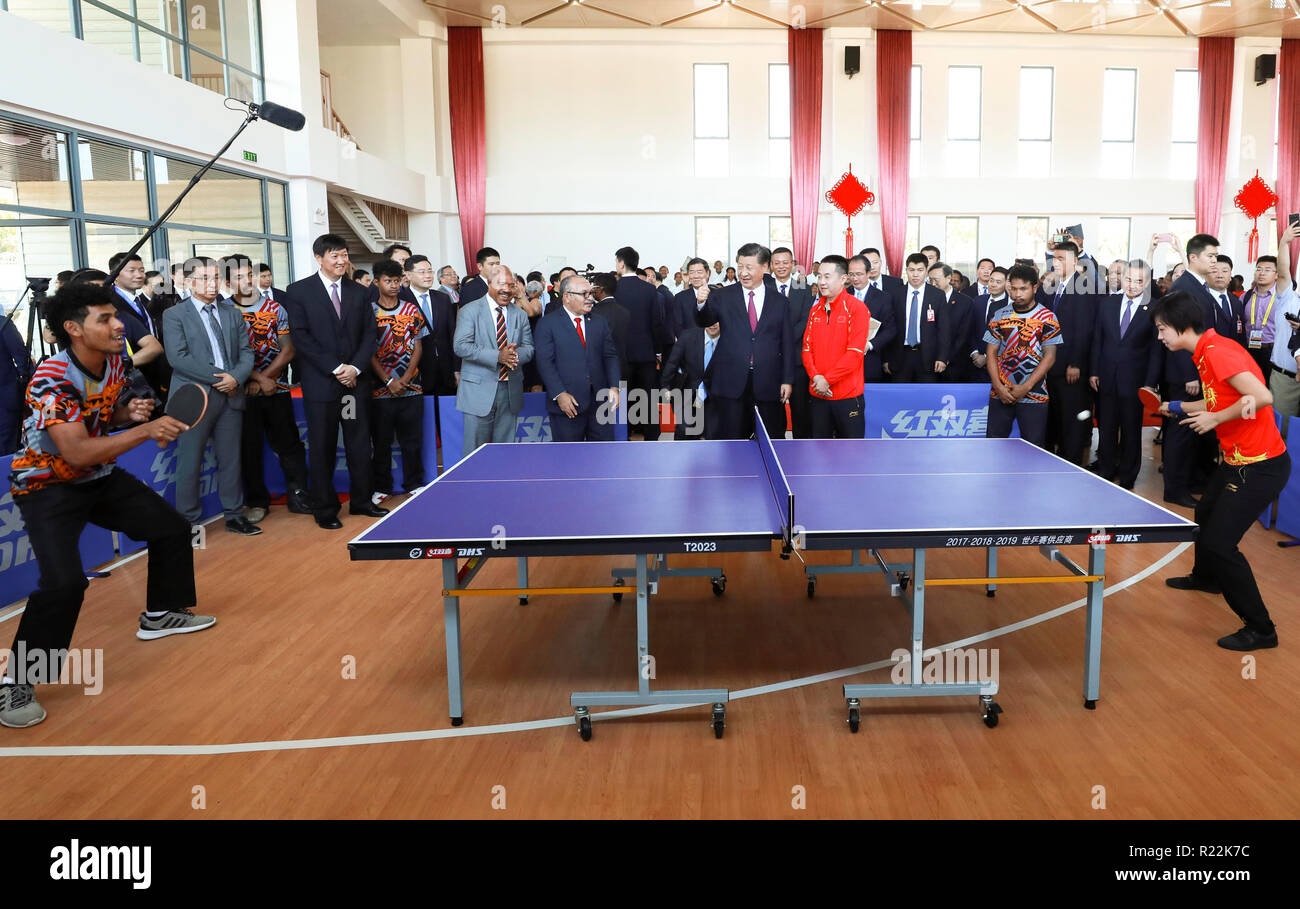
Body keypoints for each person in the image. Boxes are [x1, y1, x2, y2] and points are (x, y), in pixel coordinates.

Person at [1, 284, 210, 728]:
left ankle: (159, 614)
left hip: (98, 478)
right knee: (63, 584)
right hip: (47, 486)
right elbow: (75, 451)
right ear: (73, 329)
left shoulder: (114, 361)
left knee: (172, 528)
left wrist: (126, 415)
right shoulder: (51, 377)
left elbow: (100, 415)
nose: (119, 326)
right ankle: (17, 681)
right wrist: (145, 431)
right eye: (105, 319)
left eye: (116, 315)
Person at [1152, 291, 1290, 651]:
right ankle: (1207, 577)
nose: (1160, 336)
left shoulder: (1219, 351)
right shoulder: (1204, 351)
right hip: (1236, 460)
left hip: (1260, 466)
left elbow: (1261, 396)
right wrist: (1178, 406)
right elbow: (1220, 399)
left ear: (1182, 326)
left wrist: (1215, 419)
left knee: (1219, 543)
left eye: (1162, 328)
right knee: (1205, 511)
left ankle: (1261, 628)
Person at [283, 233, 383, 530]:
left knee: (359, 444)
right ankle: (325, 509)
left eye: (344, 255)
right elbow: (301, 337)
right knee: (322, 446)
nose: (341, 261)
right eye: (334, 256)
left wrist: (355, 368)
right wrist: (336, 367)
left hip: (355, 383)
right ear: (319, 258)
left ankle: (362, 502)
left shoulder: (360, 291)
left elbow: (369, 334)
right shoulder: (299, 291)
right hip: (322, 385)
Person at [163, 257, 259, 536]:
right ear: (190, 281)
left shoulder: (232, 313)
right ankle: (188, 522)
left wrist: (236, 378)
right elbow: (178, 358)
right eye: (204, 278)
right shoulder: (175, 315)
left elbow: (247, 353)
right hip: (195, 398)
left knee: (230, 459)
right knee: (190, 462)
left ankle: (234, 515)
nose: (211, 283)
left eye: (215, 278)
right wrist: (222, 379)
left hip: (231, 395)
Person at [225, 255, 311, 523]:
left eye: (250, 274)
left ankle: (299, 495)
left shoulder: (276, 308)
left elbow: (288, 350)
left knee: (290, 446)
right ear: (228, 282)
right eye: (239, 276)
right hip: (242, 392)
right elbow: (225, 356)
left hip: (277, 390)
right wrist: (253, 379)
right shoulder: (223, 311)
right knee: (249, 449)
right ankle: (256, 502)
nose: (247, 280)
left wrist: (265, 378)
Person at [693, 242, 793, 440]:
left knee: (771, 438)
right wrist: (701, 302)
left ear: (765, 267)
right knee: (730, 439)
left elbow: (787, 343)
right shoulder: (723, 296)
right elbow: (704, 320)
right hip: (731, 381)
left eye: (749, 267)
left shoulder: (780, 301)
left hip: (768, 381)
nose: (743, 272)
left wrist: (787, 380)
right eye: (740, 266)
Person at [1089, 259, 1162, 490]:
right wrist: (1093, 371)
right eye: (1128, 279)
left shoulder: (1154, 308)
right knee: (1107, 428)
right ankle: (1107, 469)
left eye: (1139, 281)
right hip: (1107, 378)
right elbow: (1097, 341)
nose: (1132, 285)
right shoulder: (1107, 304)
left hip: (1135, 382)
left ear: (1147, 282)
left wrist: (1150, 383)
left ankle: (1129, 475)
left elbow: (1156, 351)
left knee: (1131, 431)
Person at [452, 265, 534, 456]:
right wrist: (498, 356)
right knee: (474, 452)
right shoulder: (470, 311)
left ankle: (500, 486)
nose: (507, 289)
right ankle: (473, 487)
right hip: (477, 393)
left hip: (510, 391)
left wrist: (513, 356)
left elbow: (529, 348)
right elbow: (461, 346)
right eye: (501, 284)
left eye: (511, 285)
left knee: (504, 452)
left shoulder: (520, 314)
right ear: (489, 283)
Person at [534, 274, 621, 442]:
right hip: (567, 405)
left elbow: (610, 356)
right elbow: (545, 363)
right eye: (584, 294)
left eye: (591, 293)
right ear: (567, 296)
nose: (590, 298)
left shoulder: (599, 322)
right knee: (568, 460)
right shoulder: (548, 324)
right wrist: (559, 394)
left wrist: (615, 387)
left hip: (600, 403)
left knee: (603, 456)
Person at [984, 264, 1061, 447]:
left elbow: (1050, 357)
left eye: (1023, 289)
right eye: (1014, 288)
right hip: (1001, 394)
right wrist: (998, 386)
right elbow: (991, 352)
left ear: (1034, 288)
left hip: (1034, 394)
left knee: (1033, 449)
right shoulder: (999, 315)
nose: (1018, 294)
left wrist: (1025, 387)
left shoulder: (1047, 317)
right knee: (993, 446)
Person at [369, 259, 426, 500]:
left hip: (411, 388)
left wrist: (404, 377)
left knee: (412, 441)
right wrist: (387, 380)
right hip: (380, 390)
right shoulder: (368, 311)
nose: (393, 286)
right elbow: (367, 350)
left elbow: (418, 346)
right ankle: (382, 487)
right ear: (376, 282)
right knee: (381, 443)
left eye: (396, 281)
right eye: (387, 281)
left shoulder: (411, 310)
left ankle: (414, 482)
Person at [1039, 241, 1099, 465]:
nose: (1056, 262)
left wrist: (1075, 363)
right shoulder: (1052, 286)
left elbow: (1084, 330)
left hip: (1071, 368)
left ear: (1075, 261)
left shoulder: (1084, 287)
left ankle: (1070, 463)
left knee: (1071, 421)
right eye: (1054, 258)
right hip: (1050, 365)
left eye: (1061, 258)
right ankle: (1051, 459)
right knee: (1053, 417)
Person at [802, 255, 868, 439]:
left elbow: (854, 354)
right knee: (819, 454)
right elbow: (807, 349)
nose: (821, 282)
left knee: (851, 456)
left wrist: (826, 380)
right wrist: (816, 377)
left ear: (843, 279)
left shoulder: (857, 308)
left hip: (847, 396)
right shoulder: (814, 310)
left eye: (827, 276)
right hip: (818, 394)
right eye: (819, 276)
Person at [613, 246, 667, 441]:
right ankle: (652, 437)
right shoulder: (649, 289)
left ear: (621, 263)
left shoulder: (615, 289)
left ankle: (623, 436)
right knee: (649, 399)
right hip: (646, 353)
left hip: (621, 356)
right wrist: (658, 351)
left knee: (623, 398)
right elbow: (656, 322)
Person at [108, 252, 168, 401]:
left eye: (141, 270)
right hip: (131, 382)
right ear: (114, 275)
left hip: (154, 375)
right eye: (131, 270)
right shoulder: (110, 304)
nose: (139, 275)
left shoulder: (139, 300)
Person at [401, 255, 458, 397]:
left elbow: (453, 334)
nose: (428, 276)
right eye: (422, 272)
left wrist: (457, 369)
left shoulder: (442, 298)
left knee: (447, 416)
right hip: (417, 372)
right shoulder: (402, 301)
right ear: (408, 275)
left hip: (446, 372)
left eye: (430, 271)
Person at [888, 253, 950, 382]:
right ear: (906, 271)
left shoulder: (937, 295)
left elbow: (943, 329)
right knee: (901, 398)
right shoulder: (895, 294)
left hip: (928, 357)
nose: (915, 274)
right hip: (900, 356)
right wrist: (886, 359)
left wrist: (942, 357)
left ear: (926, 271)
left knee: (927, 399)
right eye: (911, 270)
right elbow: (889, 327)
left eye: (920, 270)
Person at [775, 247, 816, 435]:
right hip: (771, 359)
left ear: (792, 264)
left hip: (798, 360)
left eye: (785, 262)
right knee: (774, 411)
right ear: (770, 266)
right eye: (777, 263)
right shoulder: (763, 288)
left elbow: (806, 319)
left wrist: (785, 339)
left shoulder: (803, 289)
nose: (781, 266)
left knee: (801, 410)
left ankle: (802, 448)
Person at [661, 318, 719, 440]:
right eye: (709, 319)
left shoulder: (728, 339)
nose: (713, 324)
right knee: (684, 430)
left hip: (716, 396)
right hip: (688, 392)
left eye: (717, 320)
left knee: (712, 435)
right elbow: (672, 363)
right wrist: (666, 387)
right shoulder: (687, 336)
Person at [1265, 221, 1300, 417]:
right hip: (1286, 378)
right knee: (1282, 431)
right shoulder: (1288, 297)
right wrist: (1284, 242)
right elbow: (1284, 269)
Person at [846, 254, 895, 383]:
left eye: (859, 274)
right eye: (851, 274)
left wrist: (870, 345)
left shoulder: (883, 298)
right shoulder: (841, 295)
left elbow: (890, 330)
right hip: (844, 362)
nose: (855, 278)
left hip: (870, 361)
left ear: (868, 273)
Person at [929, 261, 979, 382]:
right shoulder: (927, 299)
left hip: (955, 362)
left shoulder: (965, 302)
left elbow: (964, 334)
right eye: (930, 280)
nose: (933, 284)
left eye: (936, 280)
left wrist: (945, 358)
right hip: (929, 361)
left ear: (948, 278)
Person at [1240, 252, 1283, 377]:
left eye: (1267, 270)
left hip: (1273, 351)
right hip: (1248, 350)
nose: (1262, 273)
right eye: (1258, 269)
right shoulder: (1245, 297)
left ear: (1276, 275)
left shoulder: (1281, 298)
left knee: (1271, 389)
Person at [590, 271, 630, 381]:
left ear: (600, 289)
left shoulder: (593, 313)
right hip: (623, 369)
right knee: (622, 397)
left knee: (603, 397)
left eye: (594, 287)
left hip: (601, 370)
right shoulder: (625, 312)